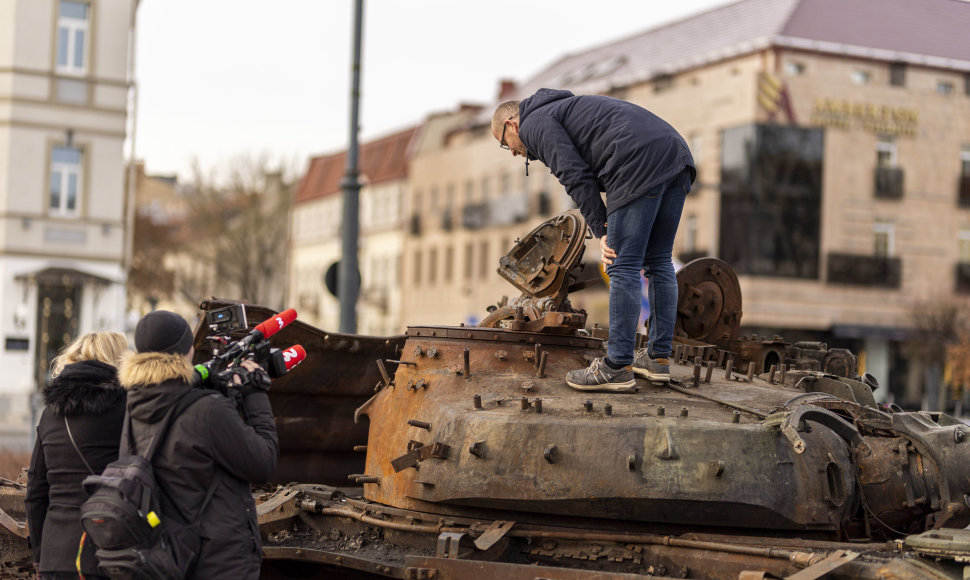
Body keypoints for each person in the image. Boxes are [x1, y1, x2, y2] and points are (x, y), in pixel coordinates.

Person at [492, 88, 695, 391]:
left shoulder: (533, 123)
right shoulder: (562, 109)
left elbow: (574, 175)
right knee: (659, 262)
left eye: (502, 143)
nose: (511, 152)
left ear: (511, 124)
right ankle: (657, 358)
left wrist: (602, 229)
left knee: (622, 265)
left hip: (636, 160)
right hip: (677, 155)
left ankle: (616, 365)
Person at [120, 310, 278, 579]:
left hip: (167, 554)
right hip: (216, 560)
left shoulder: (134, 406)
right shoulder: (207, 410)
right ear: (187, 350)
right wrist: (255, 394)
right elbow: (263, 463)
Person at [25, 331, 129, 580]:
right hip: (107, 553)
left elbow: (35, 492)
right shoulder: (126, 407)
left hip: (55, 556)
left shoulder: (50, 412)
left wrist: (40, 556)